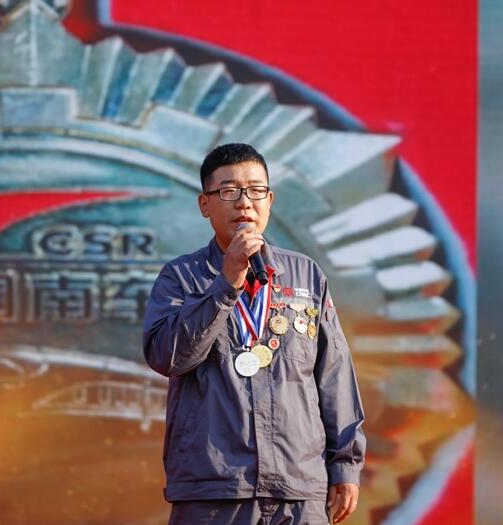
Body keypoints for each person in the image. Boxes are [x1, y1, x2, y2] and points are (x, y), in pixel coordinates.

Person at [142, 143, 365, 525]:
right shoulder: (181, 277)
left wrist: (344, 465)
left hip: (298, 489)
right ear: (205, 204)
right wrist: (227, 282)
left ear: (269, 201)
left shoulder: (306, 275)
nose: (244, 202)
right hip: (214, 488)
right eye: (229, 191)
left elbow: (334, 374)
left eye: (256, 190)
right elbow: (167, 357)